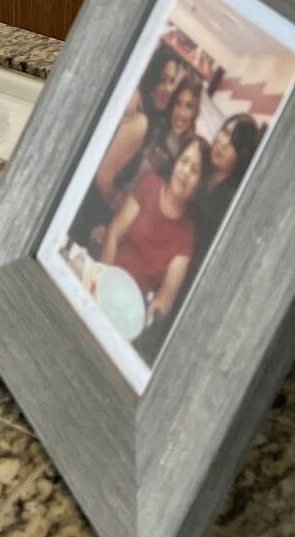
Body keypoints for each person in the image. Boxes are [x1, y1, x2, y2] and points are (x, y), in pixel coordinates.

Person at [67, 43, 183, 254]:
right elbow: (103, 177)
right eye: (162, 79)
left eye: (172, 81)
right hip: (87, 211)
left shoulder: (144, 112)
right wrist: (118, 205)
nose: (168, 88)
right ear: (151, 78)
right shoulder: (140, 121)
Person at [102, 135, 209, 342]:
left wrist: (148, 318)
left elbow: (166, 297)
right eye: (184, 161)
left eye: (195, 170)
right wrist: (104, 280)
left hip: (129, 315)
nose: (186, 172)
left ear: (198, 185)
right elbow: (114, 232)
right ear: (175, 163)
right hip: (105, 279)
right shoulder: (149, 185)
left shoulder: (187, 235)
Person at [186, 114, 263, 282]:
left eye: (234, 143)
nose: (223, 143)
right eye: (225, 132)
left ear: (242, 155)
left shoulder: (231, 202)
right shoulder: (198, 165)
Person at [144, 73, 205, 179]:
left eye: (189, 106)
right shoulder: (158, 126)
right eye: (178, 103)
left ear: (195, 112)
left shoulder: (192, 149)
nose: (181, 113)